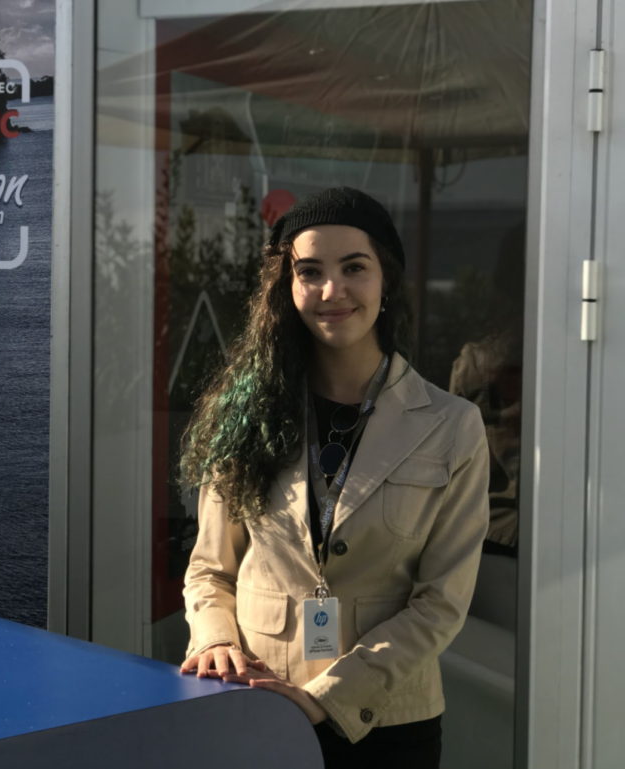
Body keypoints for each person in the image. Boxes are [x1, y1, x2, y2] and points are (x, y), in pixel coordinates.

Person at [177, 187, 490, 768]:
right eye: (310, 271)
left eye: (354, 268)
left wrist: (325, 699)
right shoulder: (246, 414)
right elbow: (210, 570)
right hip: (254, 701)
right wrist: (215, 639)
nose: (331, 290)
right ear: (286, 286)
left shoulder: (453, 426)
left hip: (390, 722)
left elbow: (441, 604)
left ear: (386, 280)